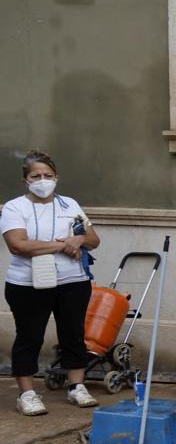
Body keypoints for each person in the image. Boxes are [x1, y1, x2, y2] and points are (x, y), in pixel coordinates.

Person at [1, 151, 101, 415]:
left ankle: (76, 387)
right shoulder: (14, 207)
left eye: (48, 175)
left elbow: (92, 238)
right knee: (29, 336)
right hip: (27, 284)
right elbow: (18, 245)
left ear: (56, 178)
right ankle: (27, 393)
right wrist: (62, 245)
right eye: (36, 176)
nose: (42, 180)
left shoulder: (70, 205)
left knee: (73, 333)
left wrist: (79, 240)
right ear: (26, 180)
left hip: (72, 281)